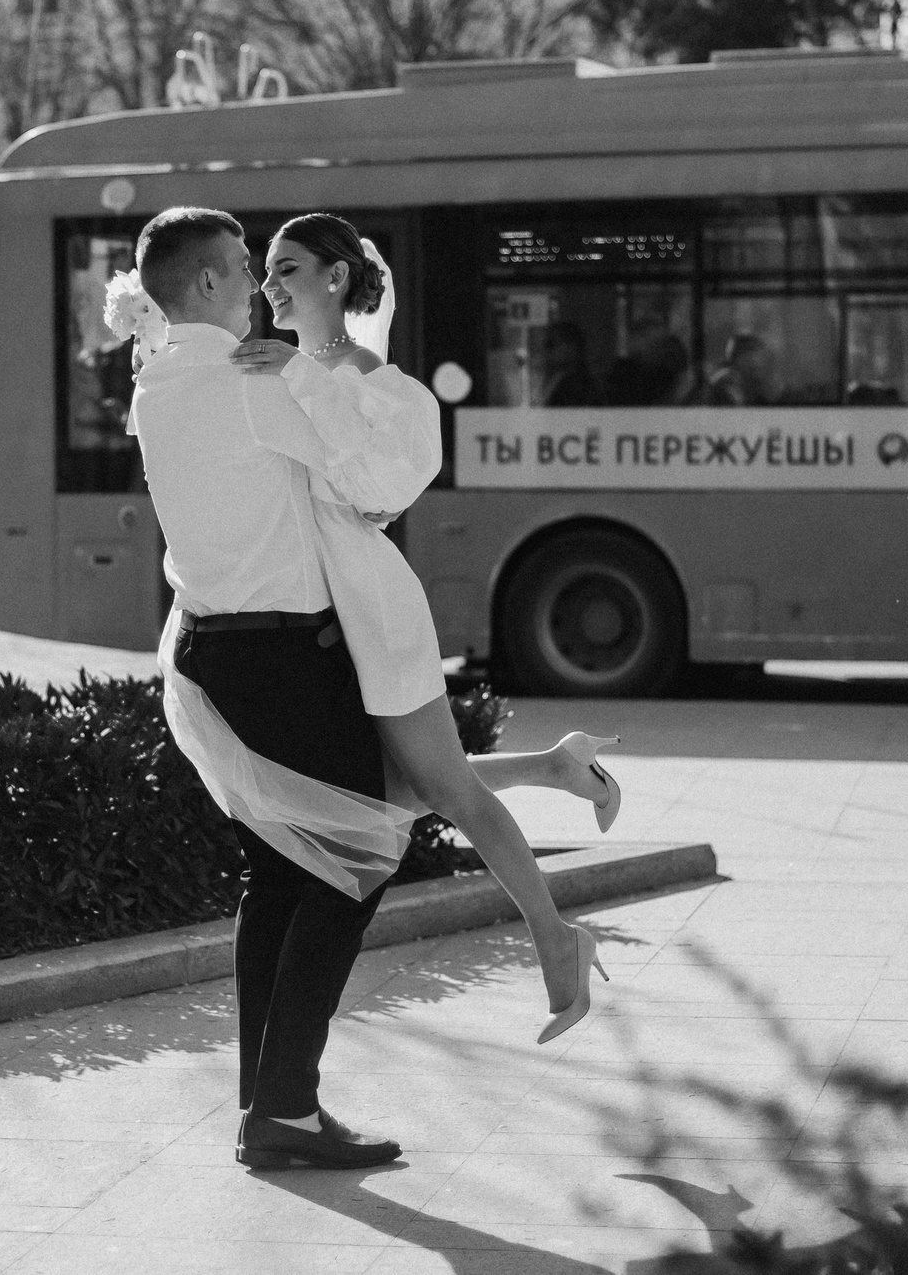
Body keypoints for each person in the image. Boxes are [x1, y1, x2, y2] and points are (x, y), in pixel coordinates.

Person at [122, 209, 615, 1175]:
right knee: (355, 861)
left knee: (282, 876)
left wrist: (314, 372)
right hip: (283, 657)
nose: (263, 290)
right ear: (214, 287)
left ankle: (267, 1104)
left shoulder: (158, 381)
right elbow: (382, 481)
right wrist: (310, 374)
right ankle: (287, 1108)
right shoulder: (250, 385)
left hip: (216, 657)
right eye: (246, 270)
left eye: (282, 272)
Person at [702, 334, 777, 405]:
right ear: (743, 356)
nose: (760, 361)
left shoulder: (746, 378)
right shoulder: (727, 380)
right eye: (757, 355)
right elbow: (738, 411)